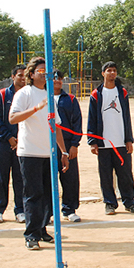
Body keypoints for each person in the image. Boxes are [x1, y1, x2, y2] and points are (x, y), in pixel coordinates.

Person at [8, 57, 69, 250]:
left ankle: (42, 229)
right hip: (30, 152)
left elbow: (56, 126)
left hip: (48, 153)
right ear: (32, 74)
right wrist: (35, 108)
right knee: (33, 194)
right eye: (41, 70)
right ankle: (31, 234)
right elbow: (12, 118)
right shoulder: (25, 93)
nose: (44, 74)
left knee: (48, 194)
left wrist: (63, 151)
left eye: (47, 71)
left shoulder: (50, 96)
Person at [87, 61, 134, 215]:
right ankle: (110, 203)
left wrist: (129, 139)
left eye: (114, 70)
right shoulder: (96, 94)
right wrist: (92, 141)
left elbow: (127, 117)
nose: (112, 73)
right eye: (108, 70)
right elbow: (91, 118)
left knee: (125, 174)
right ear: (103, 73)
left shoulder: (122, 93)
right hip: (104, 143)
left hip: (121, 142)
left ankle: (129, 202)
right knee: (106, 176)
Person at [0, 64, 27, 224]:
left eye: (25, 75)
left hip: (23, 143)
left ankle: (20, 210)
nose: (23, 78)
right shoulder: (2, 95)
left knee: (20, 178)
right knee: (1, 177)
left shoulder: (29, 95)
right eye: (19, 75)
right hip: (4, 144)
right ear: (13, 77)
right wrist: (9, 137)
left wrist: (20, 138)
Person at [53, 70, 83, 222]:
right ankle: (48, 212)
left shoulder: (70, 99)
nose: (57, 81)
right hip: (48, 146)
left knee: (70, 178)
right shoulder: (43, 99)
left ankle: (69, 209)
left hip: (67, 144)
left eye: (59, 78)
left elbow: (77, 122)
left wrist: (74, 144)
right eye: (53, 78)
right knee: (48, 179)